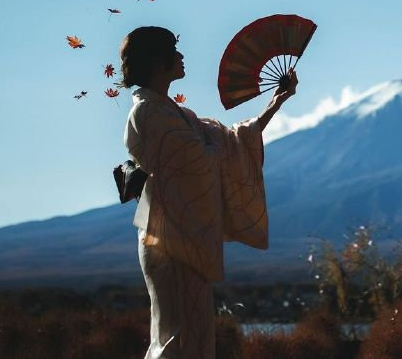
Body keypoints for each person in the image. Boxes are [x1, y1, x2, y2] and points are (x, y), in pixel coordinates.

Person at [119, 25, 297, 359]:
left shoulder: (174, 113)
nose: (181, 56)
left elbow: (228, 142)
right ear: (158, 62)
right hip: (168, 240)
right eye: (174, 51)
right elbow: (199, 162)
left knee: (192, 338)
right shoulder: (148, 113)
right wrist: (215, 148)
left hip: (183, 237)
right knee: (175, 340)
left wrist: (276, 102)